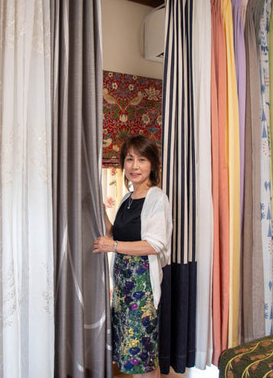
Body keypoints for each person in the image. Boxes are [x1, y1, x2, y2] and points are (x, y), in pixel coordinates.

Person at [93, 135, 172, 378]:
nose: (134, 166)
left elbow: (153, 245)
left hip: (141, 290)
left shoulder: (157, 198)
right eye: (129, 159)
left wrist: (112, 245)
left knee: (143, 357)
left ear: (153, 165)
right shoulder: (127, 199)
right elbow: (114, 235)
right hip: (123, 290)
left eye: (142, 160)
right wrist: (101, 211)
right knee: (132, 355)